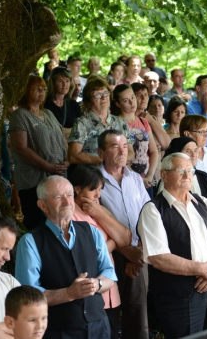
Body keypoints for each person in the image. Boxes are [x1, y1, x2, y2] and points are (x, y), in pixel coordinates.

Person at [138, 153, 207, 339]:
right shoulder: (153, 209)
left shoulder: (202, 202)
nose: (187, 175)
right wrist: (202, 269)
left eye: (190, 171)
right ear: (164, 175)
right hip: (179, 295)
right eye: (181, 171)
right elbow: (159, 258)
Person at [15, 175, 117, 339]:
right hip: (59, 331)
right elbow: (27, 297)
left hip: (98, 326)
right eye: (58, 197)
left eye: (69, 195)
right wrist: (69, 294)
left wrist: (96, 284)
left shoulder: (91, 231)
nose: (67, 202)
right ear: (42, 205)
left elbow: (109, 273)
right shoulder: (30, 242)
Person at [96, 130, 151, 339]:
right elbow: (96, 224)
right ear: (101, 152)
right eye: (114, 146)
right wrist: (125, 251)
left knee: (137, 312)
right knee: (107, 311)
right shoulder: (95, 180)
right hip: (108, 253)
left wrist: (137, 252)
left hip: (139, 252)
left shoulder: (135, 178)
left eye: (125, 146)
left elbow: (148, 215)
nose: (122, 150)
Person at [70, 165, 132, 339]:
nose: (98, 196)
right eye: (93, 190)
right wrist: (113, 242)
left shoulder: (97, 209)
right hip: (90, 293)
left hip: (111, 290)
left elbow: (126, 237)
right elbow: (88, 253)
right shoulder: (70, 215)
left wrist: (99, 213)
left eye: (100, 190)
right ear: (77, 189)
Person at [10, 75, 68, 230]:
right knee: (37, 224)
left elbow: (61, 137)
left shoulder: (48, 113)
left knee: (59, 221)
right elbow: (20, 148)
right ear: (26, 91)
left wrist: (67, 160)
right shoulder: (20, 115)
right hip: (33, 181)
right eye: (37, 89)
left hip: (56, 177)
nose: (41, 92)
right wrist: (47, 166)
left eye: (44, 89)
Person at [157, 137, 207, 226]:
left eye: (195, 150)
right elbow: (164, 210)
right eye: (188, 150)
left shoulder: (204, 178)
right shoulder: (168, 180)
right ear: (177, 153)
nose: (193, 154)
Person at [68, 76, 133, 167]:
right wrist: (104, 160)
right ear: (89, 101)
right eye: (98, 95)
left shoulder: (121, 122)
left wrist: (116, 161)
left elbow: (131, 154)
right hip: (93, 177)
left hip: (117, 175)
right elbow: (73, 156)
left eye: (106, 93)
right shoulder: (82, 123)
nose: (104, 97)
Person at [112, 84, 158, 197]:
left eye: (133, 97)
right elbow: (119, 158)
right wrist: (137, 179)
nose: (132, 103)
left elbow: (153, 151)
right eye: (126, 100)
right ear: (118, 104)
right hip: (127, 179)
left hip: (147, 180)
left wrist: (149, 176)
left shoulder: (143, 121)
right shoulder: (115, 123)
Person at [0, 218, 20, 339]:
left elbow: (29, 324)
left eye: (9, 251)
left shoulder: (9, 281)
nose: (7, 258)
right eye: (4, 249)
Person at [44, 66, 82, 140]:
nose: (64, 85)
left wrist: (64, 131)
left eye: (67, 81)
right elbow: (50, 130)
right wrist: (73, 131)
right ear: (53, 83)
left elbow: (81, 128)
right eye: (60, 81)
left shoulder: (73, 104)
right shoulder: (46, 104)